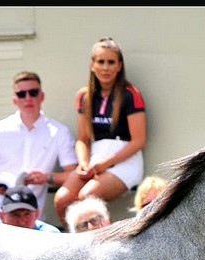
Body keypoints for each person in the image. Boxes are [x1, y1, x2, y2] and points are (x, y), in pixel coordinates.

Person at [53, 37, 146, 223]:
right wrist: (83, 163)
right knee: (62, 200)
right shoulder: (84, 96)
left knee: (87, 196)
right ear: (92, 65)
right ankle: (74, 246)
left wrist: (105, 164)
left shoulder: (130, 94)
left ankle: (103, 245)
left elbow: (138, 140)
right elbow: (83, 139)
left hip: (124, 160)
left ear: (119, 66)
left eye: (111, 62)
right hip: (95, 159)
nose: (105, 68)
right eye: (100, 62)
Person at [0, 71, 78, 223]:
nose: (28, 98)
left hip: (30, 219)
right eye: (22, 94)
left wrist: (47, 178)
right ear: (15, 100)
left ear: (42, 96)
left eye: (33, 92)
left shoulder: (59, 132)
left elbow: (73, 174)